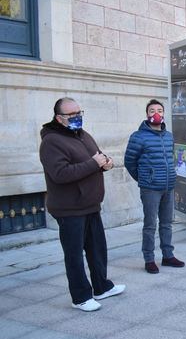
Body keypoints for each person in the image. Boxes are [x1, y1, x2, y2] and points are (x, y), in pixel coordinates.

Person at [39, 97, 125, 312]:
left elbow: (97, 157)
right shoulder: (51, 141)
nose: (77, 117)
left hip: (91, 203)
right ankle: (80, 297)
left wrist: (106, 163)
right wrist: (93, 164)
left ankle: (101, 287)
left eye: (79, 112)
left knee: (97, 250)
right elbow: (60, 174)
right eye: (72, 115)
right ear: (59, 118)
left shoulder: (83, 135)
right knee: (74, 254)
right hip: (69, 208)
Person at [125, 99, 184, 274]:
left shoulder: (168, 135)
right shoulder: (138, 136)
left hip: (168, 186)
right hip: (150, 188)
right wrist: (144, 179)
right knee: (150, 225)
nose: (156, 113)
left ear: (164, 113)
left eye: (159, 110)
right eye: (152, 110)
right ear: (147, 114)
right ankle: (149, 259)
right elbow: (129, 162)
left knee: (166, 224)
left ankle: (168, 256)